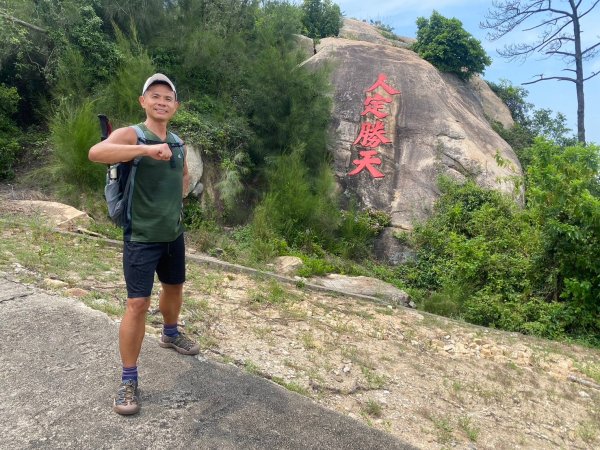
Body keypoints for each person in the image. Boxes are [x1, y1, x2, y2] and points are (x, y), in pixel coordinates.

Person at [89, 73, 199, 415]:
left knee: (175, 288)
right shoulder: (133, 134)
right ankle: (128, 379)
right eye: (155, 96)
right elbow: (97, 152)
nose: (162, 101)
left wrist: (177, 200)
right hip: (140, 237)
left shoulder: (178, 142)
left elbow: (182, 180)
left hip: (173, 234)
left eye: (168, 97)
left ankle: (169, 333)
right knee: (137, 304)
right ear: (143, 101)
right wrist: (145, 149)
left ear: (176, 106)